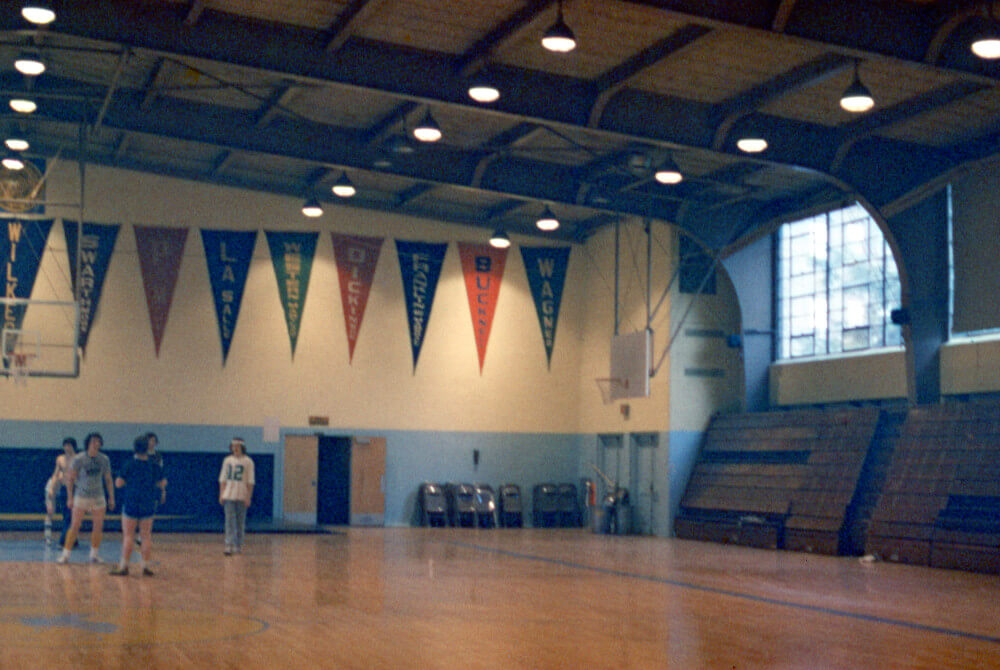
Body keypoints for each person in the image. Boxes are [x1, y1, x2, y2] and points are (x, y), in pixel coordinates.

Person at [109, 435, 166, 576]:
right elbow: (162, 483)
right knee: (146, 536)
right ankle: (145, 566)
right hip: (148, 503)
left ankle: (124, 566)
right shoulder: (154, 465)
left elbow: (118, 483)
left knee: (128, 536)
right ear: (148, 448)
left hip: (131, 502)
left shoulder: (129, 464)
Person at [57, 432, 115, 564]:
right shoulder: (79, 459)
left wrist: (111, 497)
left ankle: (94, 555)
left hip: (98, 497)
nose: (97, 443)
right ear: (88, 443)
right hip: (81, 496)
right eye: (94, 441)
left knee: (98, 526)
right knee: (75, 525)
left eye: (99, 441)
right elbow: (71, 479)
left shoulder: (104, 459)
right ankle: (65, 555)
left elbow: (108, 479)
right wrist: (70, 498)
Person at [218, 437, 254, 556]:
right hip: (229, 495)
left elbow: (250, 481)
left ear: (242, 447)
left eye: (238, 446)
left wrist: (248, 497)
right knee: (229, 521)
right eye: (234, 446)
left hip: (242, 495)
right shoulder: (227, 460)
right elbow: (223, 479)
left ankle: (238, 545)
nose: (235, 449)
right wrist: (221, 494)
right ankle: (228, 545)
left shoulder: (248, 461)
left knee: (240, 522)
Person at [44, 438, 77, 545]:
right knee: (66, 515)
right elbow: (55, 474)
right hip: (63, 489)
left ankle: (64, 540)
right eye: (65, 445)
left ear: (73, 447)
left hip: (75, 488)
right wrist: (52, 489)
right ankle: (72, 539)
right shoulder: (60, 459)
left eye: (69, 445)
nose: (67, 448)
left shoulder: (78, 459)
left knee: (71, 516)